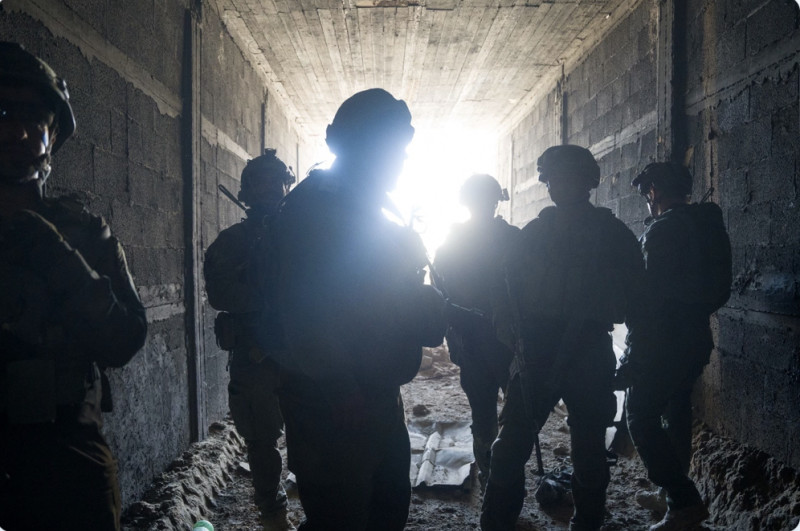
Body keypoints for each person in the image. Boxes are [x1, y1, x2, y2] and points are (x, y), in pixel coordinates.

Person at [274, 88, 447, 530]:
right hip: (333, 399)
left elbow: (381, 299)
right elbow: (303, 312)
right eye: (394, 150)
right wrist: (340, 389)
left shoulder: (365, 209)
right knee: (342, 514)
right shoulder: (316, 209)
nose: (401, 161)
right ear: (363, 147)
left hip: (372, 391)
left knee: (385, 507)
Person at [0, 42, 147, 530]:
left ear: (52, 132)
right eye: (2, 112)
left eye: (33, 118)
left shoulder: (84, 231)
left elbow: (124, 340)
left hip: (65, 461)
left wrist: (60, 258)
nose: (17, 131)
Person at [481, 145, 644, 531]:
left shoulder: (612, 235)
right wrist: (510, 335)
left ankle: (587, 523)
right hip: (536, 350)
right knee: (509, 448)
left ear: (588, 182)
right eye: (554, 178)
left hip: (588, 348)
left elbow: (640, 301)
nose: (560, 185)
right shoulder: (533, 235)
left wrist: (636, 355)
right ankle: (495, 523)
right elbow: (503, 293)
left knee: (588, 450)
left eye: (570, 177)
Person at [616, 161, 731, 531]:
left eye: (646, 195)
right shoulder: (708, 225)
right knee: (677, 410)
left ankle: (682, 500)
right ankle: (674, 499)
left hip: (661, 344)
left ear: (655, 192)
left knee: (640, 416)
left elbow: (648, 302)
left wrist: (633, 354)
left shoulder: (661, 232)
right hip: (695, 339)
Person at [203, 149, 296, 531]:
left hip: (300, 352)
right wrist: (264, 298)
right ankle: (272, 516)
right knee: (261, 441)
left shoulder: (301, 237)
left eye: (276, 183)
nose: (269, 191)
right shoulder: (232, 242)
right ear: (246, 193)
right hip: (255, 354)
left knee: (313, 434)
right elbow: (220, 294)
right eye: (261, 184)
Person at [434, 173, 519, 490]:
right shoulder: (511, 238)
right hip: (490, 341)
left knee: (492, 414)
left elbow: (442, 291)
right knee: (499, 414)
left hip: (490, 340)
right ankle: (498, 475)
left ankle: (495, 474)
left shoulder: (456, 241)